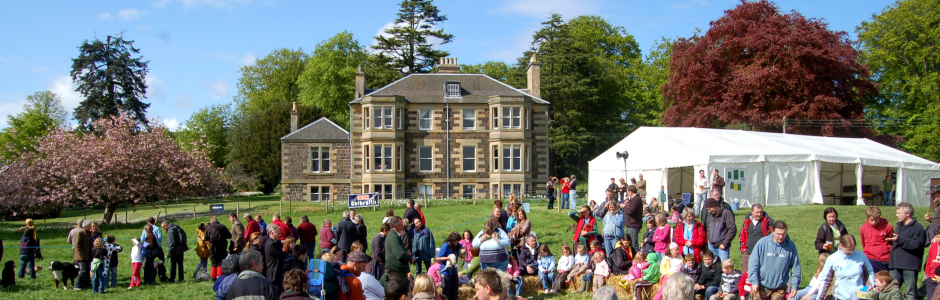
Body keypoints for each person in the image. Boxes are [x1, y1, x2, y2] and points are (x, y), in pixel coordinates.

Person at [747, 221, 801, 300]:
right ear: (772, 231)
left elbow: (796, 267)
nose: (781, 236)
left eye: (783, 234)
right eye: (778, 234)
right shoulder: (762, 243)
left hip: (780, 287)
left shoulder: (791, 246)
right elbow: (753, 263)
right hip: (761, 285)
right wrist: (754, 281)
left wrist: (795, 286)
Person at [815, 234, 874, 300]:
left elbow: (870, 271)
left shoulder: (861, 256)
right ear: (841, 245)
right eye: (849, 250)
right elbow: (825, 280)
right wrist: (819, 298)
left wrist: (870, 284)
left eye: (853, 249)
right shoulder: (832, 259)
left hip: (859, 297)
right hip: (840, 297)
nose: (851, 252)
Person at [887, 202, 926, 300]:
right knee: (892, 291)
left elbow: (917, 245)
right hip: (896, 264)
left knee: (910, 293)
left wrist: (899, 239)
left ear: (908, 214)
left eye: (899, 213)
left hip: (910, 265)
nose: (897, 215)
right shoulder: (899, 225)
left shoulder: (918, 228)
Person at [860, 206, 894, 273]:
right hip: (870, 258)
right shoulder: (863, 228)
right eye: (871, 220)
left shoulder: (888, 227)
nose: (874, 222)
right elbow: (864, 243)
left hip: (884, 259)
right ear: (868, 218)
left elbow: (891, 242)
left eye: (876, 219)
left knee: (883, 281)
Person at [739, 204, 772, 271]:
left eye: (760, 212)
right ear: (752, 212)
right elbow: (742, 236)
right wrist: (743, 250)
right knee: (745, 274)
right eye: (757, 212)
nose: (759, 214)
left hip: (761, 253)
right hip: (748, 252)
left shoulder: (767, 222)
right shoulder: (747, 222)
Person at [383, 216, 411, 285]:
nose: (402, 226)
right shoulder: (394, 237)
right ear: (395, 225)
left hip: (396, 269)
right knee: (397, 290)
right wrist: (410, 258)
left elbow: (398, 250)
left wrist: (406, 252)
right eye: (400, 224)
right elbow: (400, 255)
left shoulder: (395, 235)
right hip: (395, 269)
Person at [437, 232, 462, 300]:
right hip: (446, 272)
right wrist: (448, 258)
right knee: (446, 291)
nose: (457, 242)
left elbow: (463, 246)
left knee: (454, 291)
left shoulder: (457, 246)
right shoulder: (445, 246)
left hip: (454, 271)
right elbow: (437, 258)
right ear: (452, 240)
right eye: (456, 241)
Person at [69, 219, 92, 290]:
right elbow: (77, 245)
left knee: (87, 270)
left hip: (87, 255)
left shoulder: (88, 233)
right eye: (89, 226)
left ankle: (87, 283)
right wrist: (81, 254)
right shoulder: (80, 233)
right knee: (83, 270)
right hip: (81, 256)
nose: (91, 227)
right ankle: (77, 285)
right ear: (85, 226)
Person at [622, 185, 644, 252]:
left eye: (628, 192)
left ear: (631, 192)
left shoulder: (636, 199)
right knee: (630, 244)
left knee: (633, 244)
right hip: (630, 225)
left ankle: (637, 258)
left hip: (633, 225)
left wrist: (624, 207)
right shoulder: (633, 200)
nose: (627, 194)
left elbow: (630, 211)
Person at [924, 228, 940, 298]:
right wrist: (928, 272)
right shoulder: (934, 246)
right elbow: (929, 260)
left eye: (938, 237)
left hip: (939, 277)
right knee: (930, 296)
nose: (936, 238)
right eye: (935, 236)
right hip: (931, 277)